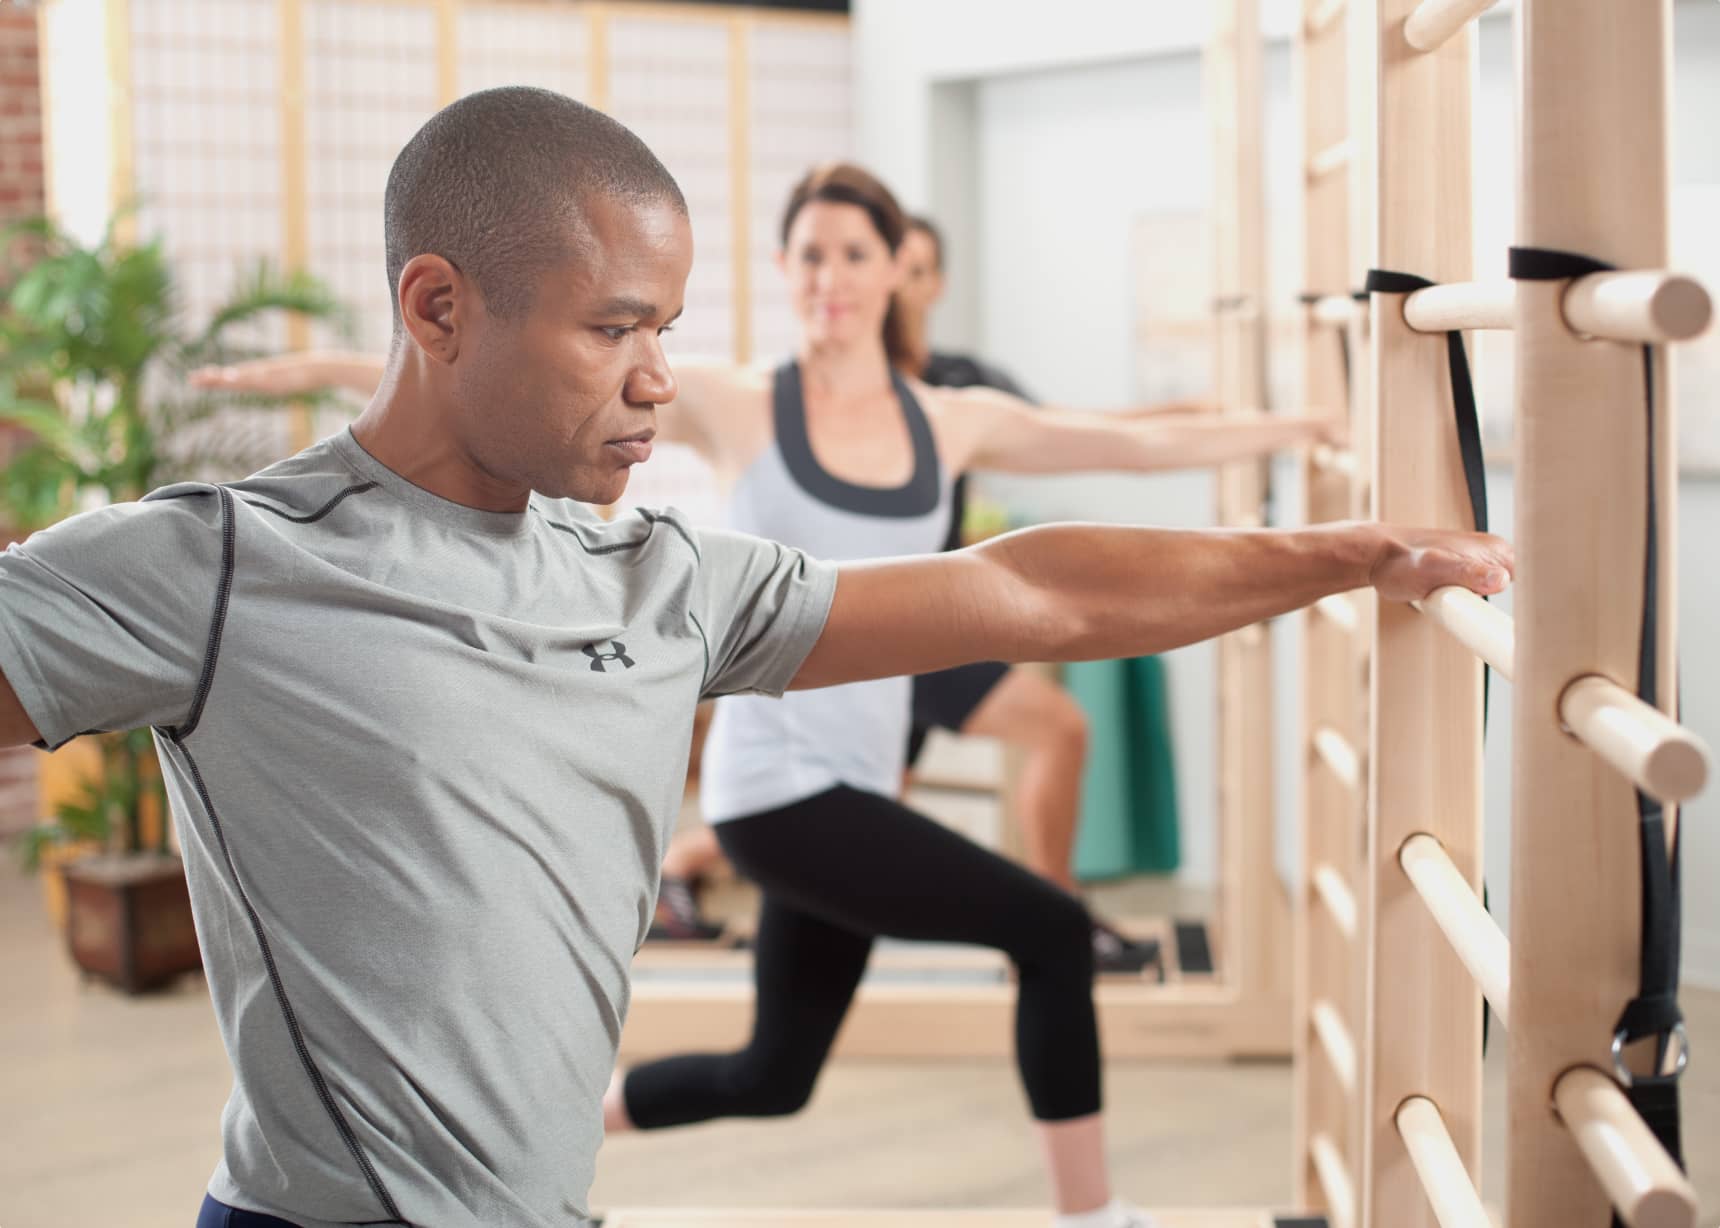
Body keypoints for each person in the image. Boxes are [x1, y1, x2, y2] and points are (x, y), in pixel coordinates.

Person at [163, 107, 1510, 1225]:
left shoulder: (949, 417)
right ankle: (1094, 1218)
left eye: (849, 253)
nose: (826, 276)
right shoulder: (751, 399)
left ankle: (551, 1132)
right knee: (1051, 932)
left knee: (774, 1074)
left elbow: (1139, 443)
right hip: (777, 791)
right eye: (804, 254)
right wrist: (330, 367)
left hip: (865, 776)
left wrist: (1317, 419)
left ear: (895, 269)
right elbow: (499, 362)